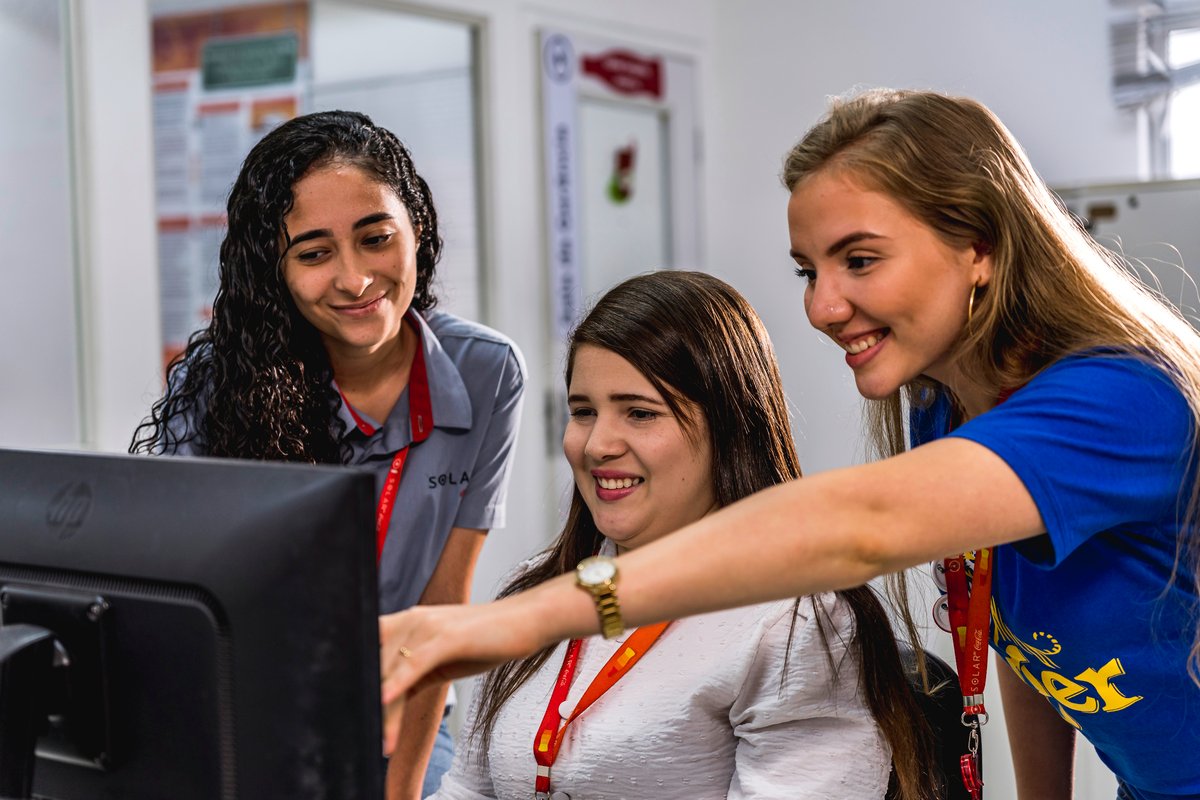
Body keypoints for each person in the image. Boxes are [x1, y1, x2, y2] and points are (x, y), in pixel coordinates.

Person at [378, 88, 1200, 800]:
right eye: (810, 270)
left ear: (978, 248)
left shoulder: (1122, 400)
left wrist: (517, 622)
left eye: (861, 260)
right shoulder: (945, 406)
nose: (823, 307)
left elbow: (858, 528)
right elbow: (1028, 643)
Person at [129, 110, 526, 800]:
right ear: (275, 269)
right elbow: (177, 606)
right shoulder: (219, 383)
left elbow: (443, 612)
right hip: (247, 711)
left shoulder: (487, 371)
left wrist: (399, 795)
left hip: (400, 715)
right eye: (314, 253)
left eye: (376, 239)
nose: (354, 278)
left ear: (417, 229)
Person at [431, 270, 934, 800]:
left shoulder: (793, 623)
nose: (597, 444)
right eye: (583, 412)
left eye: (640, 413)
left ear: (730, 427)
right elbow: (468, 790)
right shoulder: (539, 591)